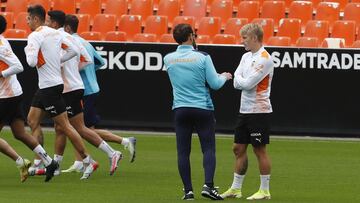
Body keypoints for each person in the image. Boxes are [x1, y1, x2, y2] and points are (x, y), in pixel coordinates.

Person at [38, 10, 122, 176]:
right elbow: (88, 60)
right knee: (62, 127)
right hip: (74, 87)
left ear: (55, 23)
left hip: (67, 89)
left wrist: (61, 69)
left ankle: (106, 155)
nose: (45, 24)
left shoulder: (56, 39)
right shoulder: (72, 38)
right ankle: (58, 166)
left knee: (74, 128)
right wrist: (74, 73)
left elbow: (64, 62)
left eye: (47, 21)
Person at [24, 4, 98, 180]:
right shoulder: (56, 33)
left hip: (49, 86)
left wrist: (29, 51)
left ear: (35, 19)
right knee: (32, 119)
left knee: (65, 126)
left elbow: (31, 62)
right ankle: (45, 161)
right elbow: (73, 50)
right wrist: (57, 60)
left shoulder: (34, 36)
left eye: (28, 18)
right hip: (52, 85)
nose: (27, 21)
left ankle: (88, 160)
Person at [59, 14, 136, 173]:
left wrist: (77, 73)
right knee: (80, 127)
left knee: (81, 129)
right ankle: (80, 162)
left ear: (66, 28)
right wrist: (90, 73)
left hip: (83, 90)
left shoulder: (70, 42)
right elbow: (100, 62)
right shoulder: (85, 42)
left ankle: (123, 142)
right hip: (92, 88)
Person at [163, 24, 232, 200]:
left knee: (183, 152)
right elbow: (215, 84)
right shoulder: (202, 57)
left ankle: (188, 192)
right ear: (191, 36)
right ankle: (208, 186)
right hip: (202, 107)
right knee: (208, 149)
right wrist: (224, 76)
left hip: (180, 108)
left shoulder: (168, 58)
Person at [0, 15, 59, 182]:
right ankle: (49, 162)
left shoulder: (1, 46)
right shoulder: (2, 41)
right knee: (20, 133)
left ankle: (21, 162)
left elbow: (18, 66)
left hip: (6, 96)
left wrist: (1, 74)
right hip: (12, 94)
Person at [221, 23, 274, 200]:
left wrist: (240, 80)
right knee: (238, 148)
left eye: (244, 37)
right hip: (244, 110)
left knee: (259, 150)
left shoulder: (265, 58)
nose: (242, 41)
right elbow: (238, 82)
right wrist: (241, 80)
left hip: (259, 111)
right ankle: (236, 189)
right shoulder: (245, 57)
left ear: (254, 38)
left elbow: (247, 84)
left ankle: (265, 190)